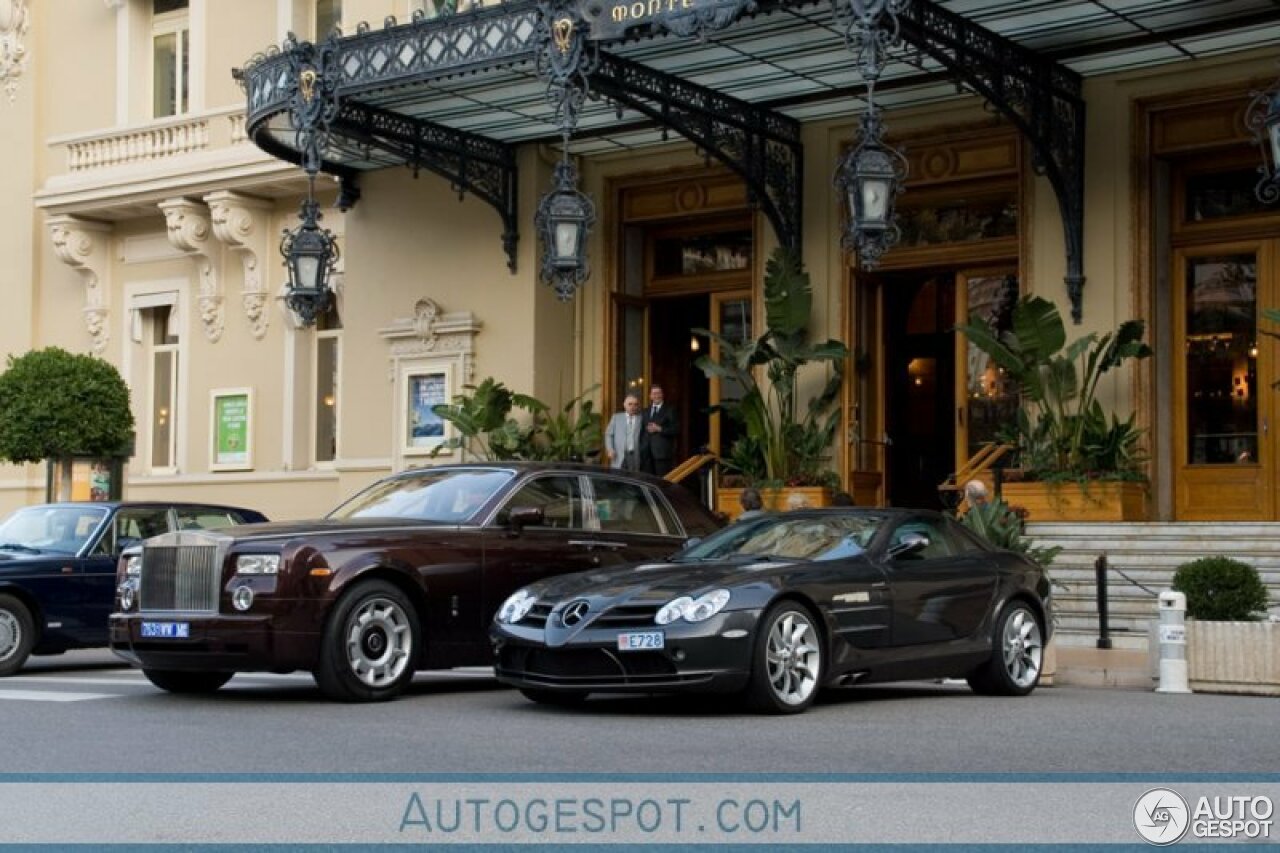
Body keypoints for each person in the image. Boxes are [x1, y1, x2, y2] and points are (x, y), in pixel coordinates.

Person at [639, 384, 678, 476]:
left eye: (659, 393)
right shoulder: (644, 411)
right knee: (647, 480)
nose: (656, 395)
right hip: (646, 453)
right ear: (650, 396)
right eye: (654, 393)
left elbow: (676, 429)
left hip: (662, 454)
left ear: (662, 394)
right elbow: (641, 431)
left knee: (662, 481)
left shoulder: (670, 410)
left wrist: (659, 429)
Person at [604, 392, 643, 471]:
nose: (633, 407)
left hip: (635, 455)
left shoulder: (641, 418)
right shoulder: (616, 417)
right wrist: (610, 449)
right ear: (624, 405)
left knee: (634, 479)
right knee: (617, 478)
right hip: (618, 454)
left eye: (635, 404)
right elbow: (608, 434)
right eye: (630, 404)